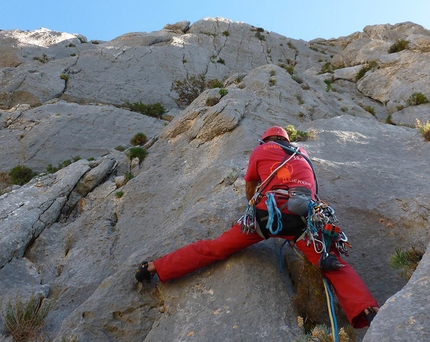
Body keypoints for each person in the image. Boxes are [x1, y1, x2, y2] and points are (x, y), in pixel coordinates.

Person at [135, 126, 379, 328]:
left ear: (266, 139)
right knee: (331, 261)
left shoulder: (262, 149)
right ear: (287, 139)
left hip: (265, 216)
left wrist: (251, 207)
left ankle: (155, 267)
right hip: (303, 219)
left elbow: (251, 186)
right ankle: (367, 310)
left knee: (216, 248)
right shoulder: (302, 153)